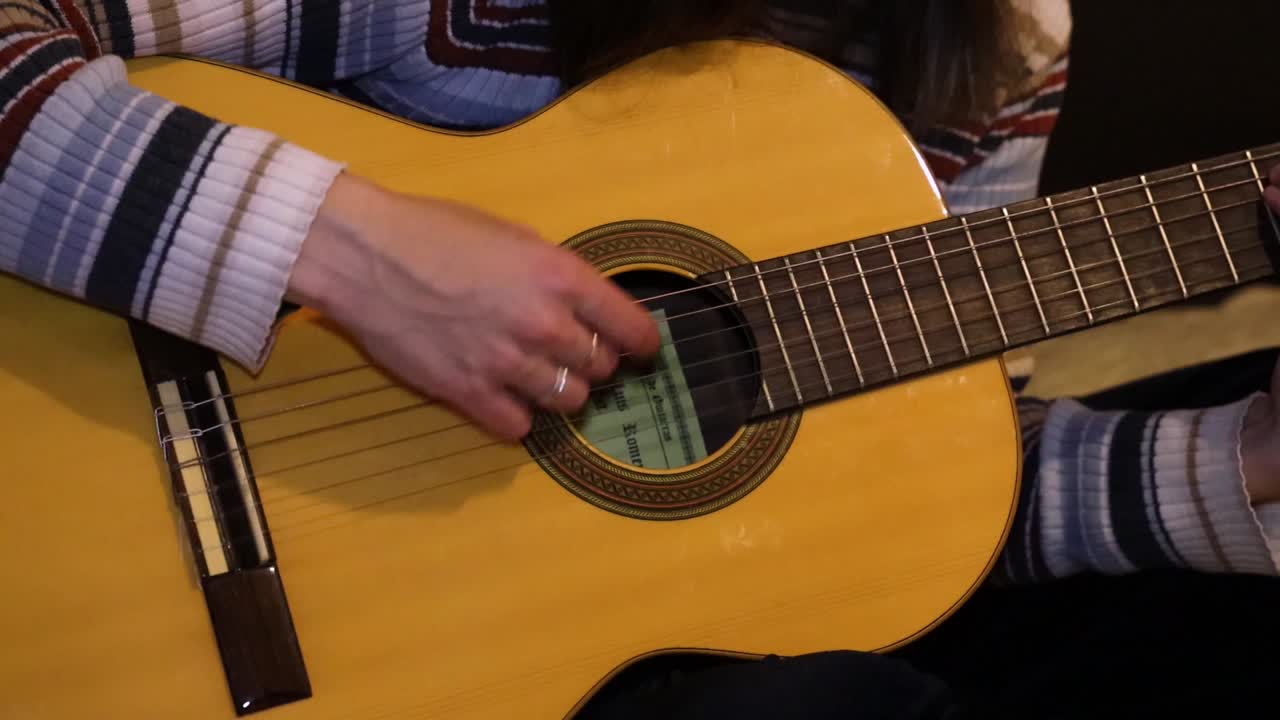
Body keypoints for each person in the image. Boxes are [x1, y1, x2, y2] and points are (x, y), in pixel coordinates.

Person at [3, 1, 1280, 716]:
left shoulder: (1002, 50)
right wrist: (352, 251)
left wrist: (1229, 464)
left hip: (505, 649)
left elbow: (898, 491)